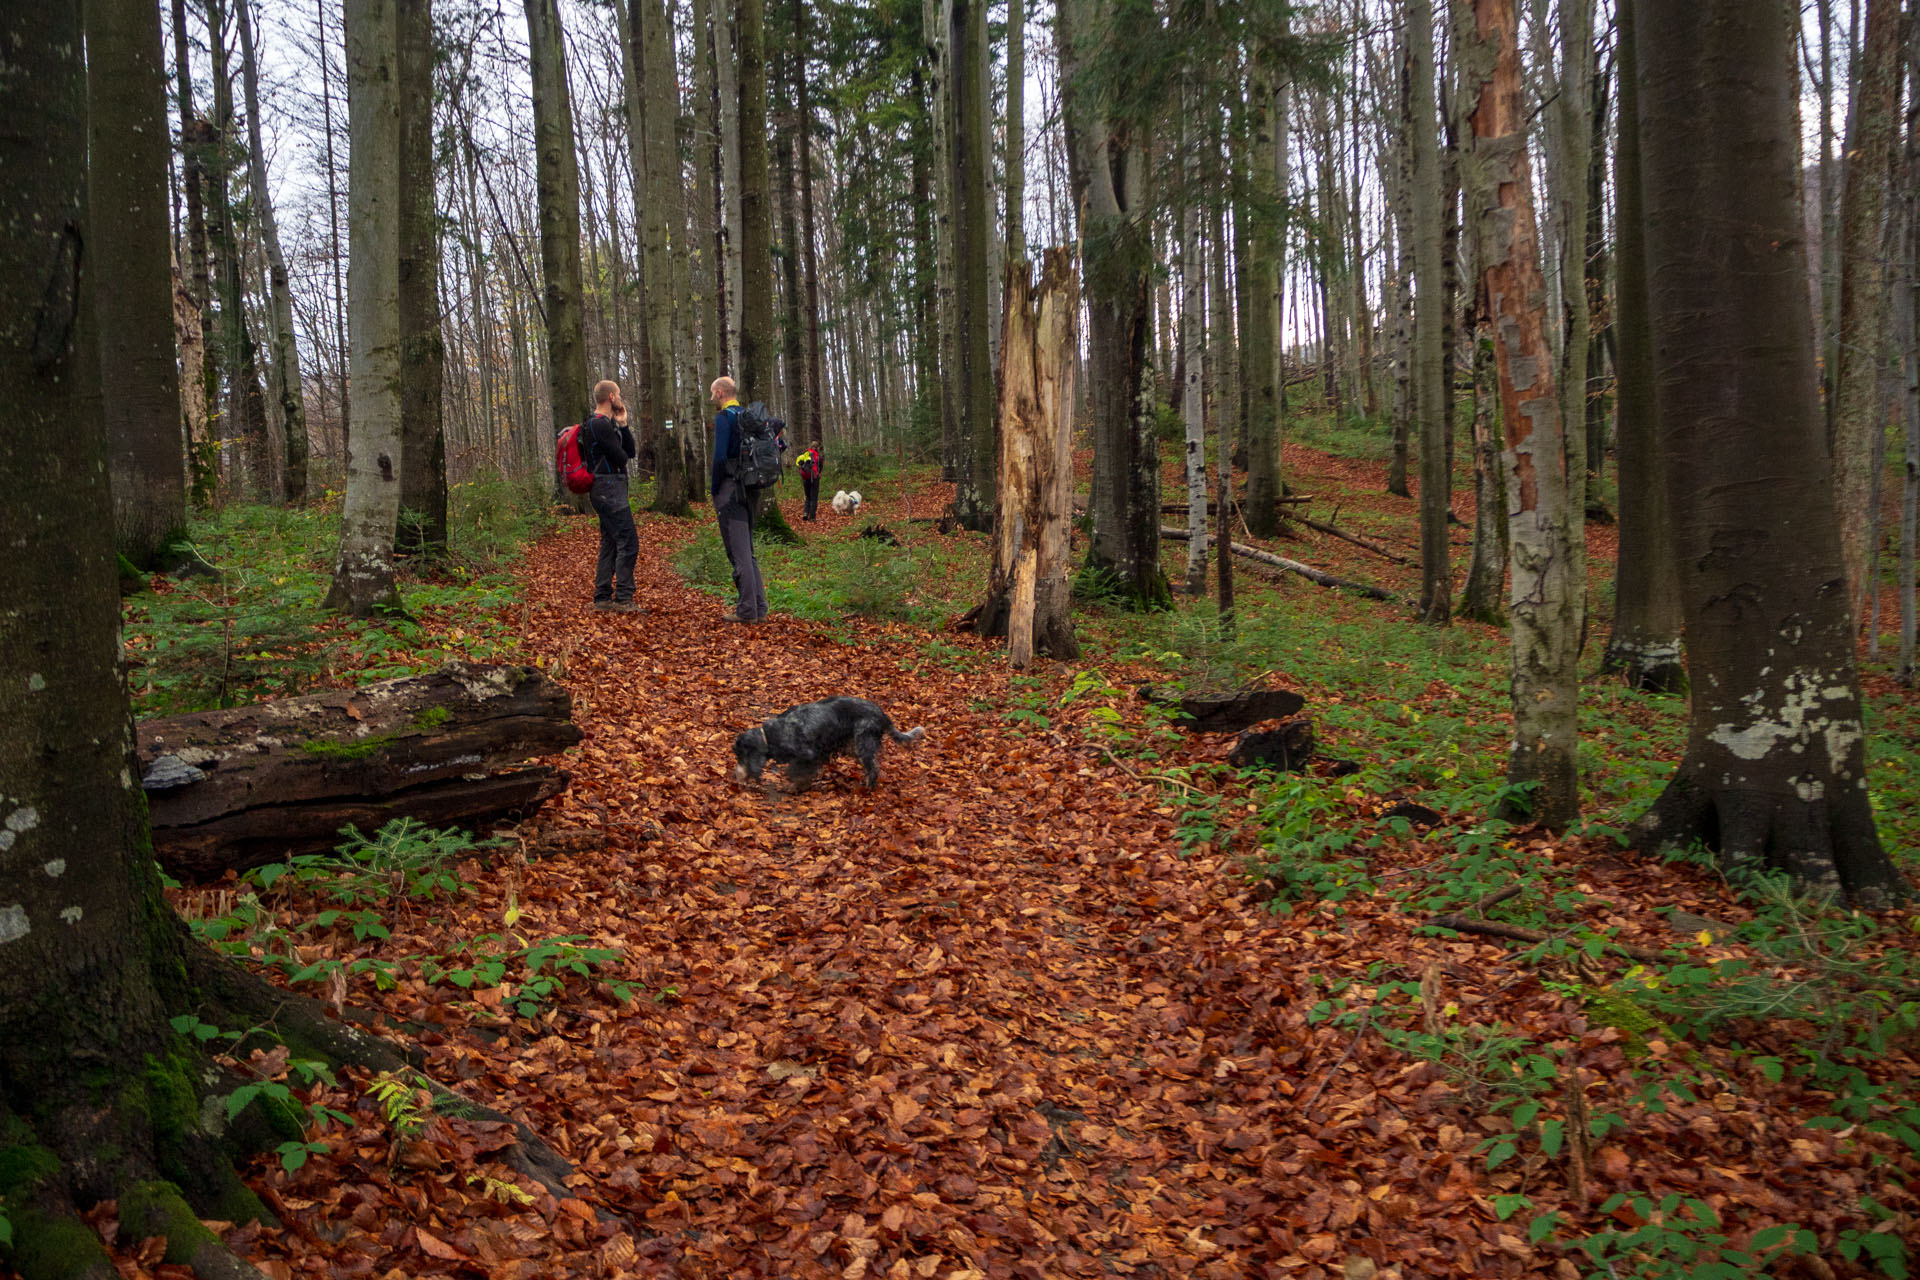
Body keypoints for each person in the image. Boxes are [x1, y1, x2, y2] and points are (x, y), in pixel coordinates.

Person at [709, 376, 766, 623]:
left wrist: (713, 488)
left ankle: (746, 612)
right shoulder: (748, 417)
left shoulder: (725, 419)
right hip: (750, 489)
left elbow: (720, 457)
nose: (711, 398)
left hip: (730, 490)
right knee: (748, 551)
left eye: (712, 393)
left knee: (739, 552)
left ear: (720, 393)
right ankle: (759, 608)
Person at [583, 380, 640, 613]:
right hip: (608, 489)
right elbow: (621, 457)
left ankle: (603, 596)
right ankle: (624, 597)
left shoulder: (604, 424)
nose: (620, 398)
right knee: (629, 541)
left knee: (610, 541)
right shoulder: (598, 425)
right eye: (618, 394)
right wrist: (617, 433)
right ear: (611, 397)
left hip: (607, 488)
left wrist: (623, 425)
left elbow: (631, 452)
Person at [795, 442, 823, 520]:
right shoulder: (818, 456)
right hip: (814, 478)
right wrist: (819, 473)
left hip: (805, 478)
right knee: (814, 497)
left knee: (808, 497)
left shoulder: (805, 454)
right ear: (817, 447)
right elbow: (820, 467)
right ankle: (812, 517)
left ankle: (805, 513)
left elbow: (800, 465)